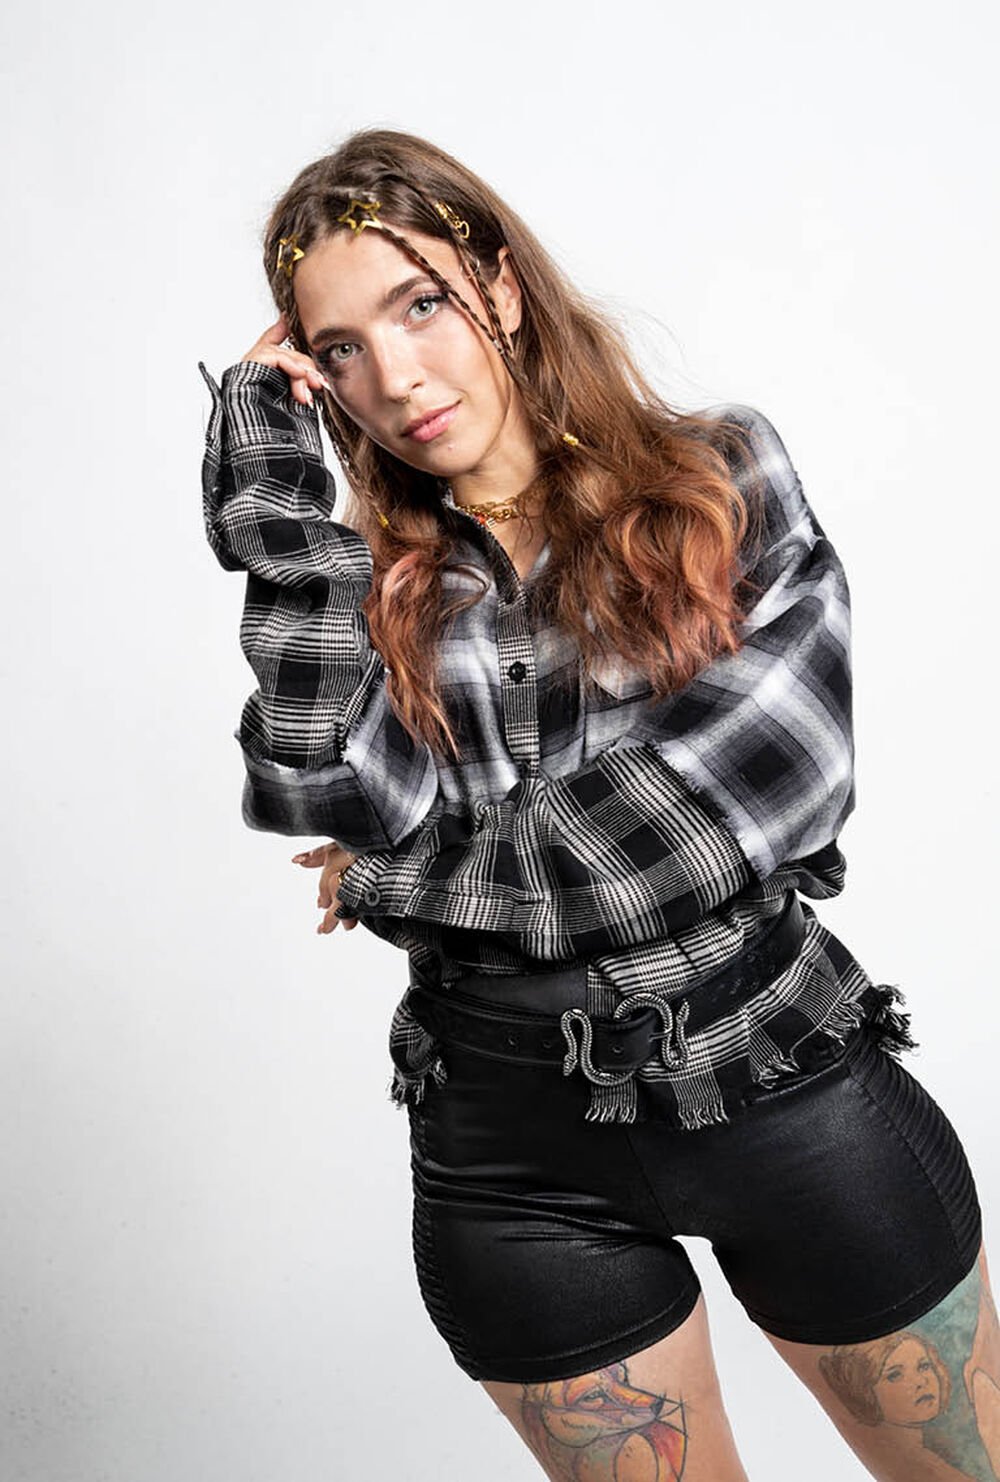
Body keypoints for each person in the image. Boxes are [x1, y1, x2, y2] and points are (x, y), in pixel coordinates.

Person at [198, 127, 996, 1481]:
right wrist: (276, 504)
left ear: (502, 286)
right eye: (340, 349)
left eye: (421, 304)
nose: (395, 377)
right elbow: (324, 786)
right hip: (509, 1160)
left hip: (781, 1087)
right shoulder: (369, 586)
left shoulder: (717, 477)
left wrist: (400, 881)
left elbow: (746, 793)